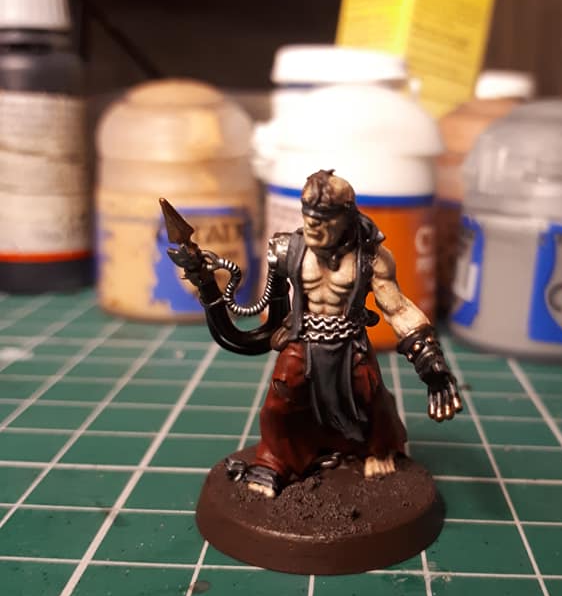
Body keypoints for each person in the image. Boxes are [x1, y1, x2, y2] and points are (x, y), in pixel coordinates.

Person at [168, 169, 461, 497]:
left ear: (346, 217)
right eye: (308, 218)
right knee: (279, 404)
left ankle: (379, 450)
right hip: (302, 341)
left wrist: (430, 362)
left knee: (371, 398)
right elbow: (272, 313)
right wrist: (205, 279)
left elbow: (398, 309)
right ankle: (275, 460)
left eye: (323, 220)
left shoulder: (370, 258)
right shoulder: (288, 250)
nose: (313, 227)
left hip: (350, 344)